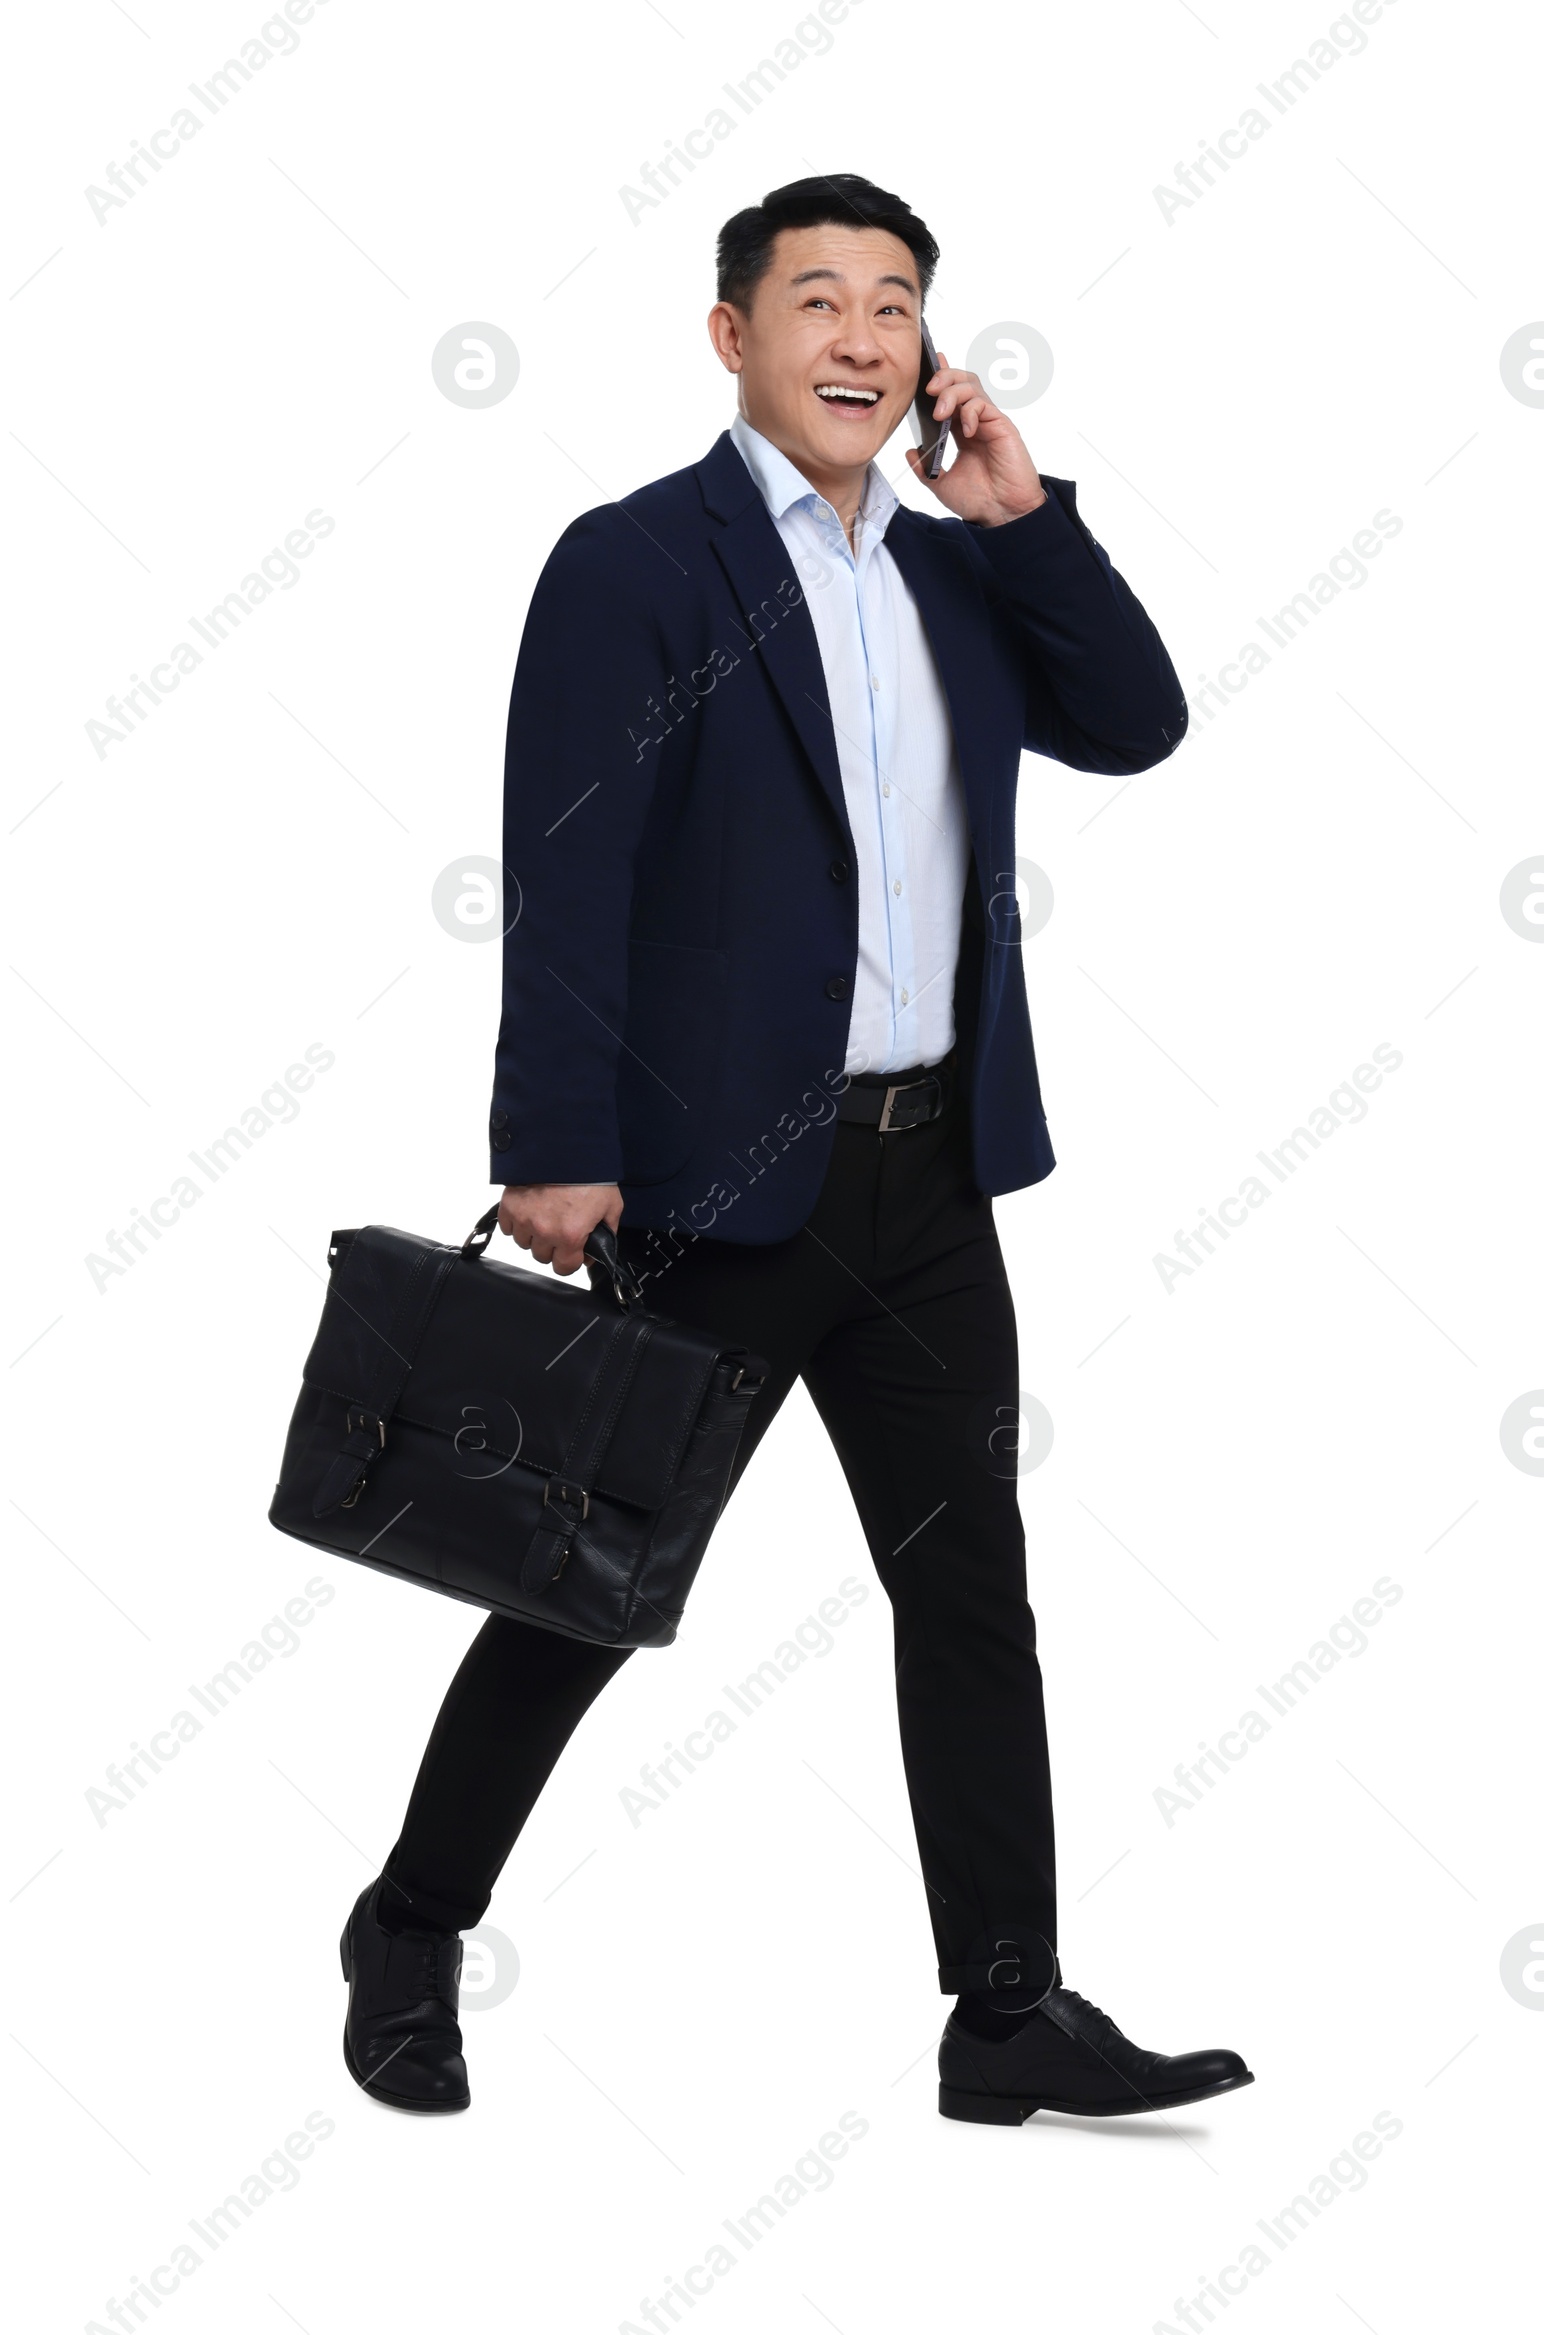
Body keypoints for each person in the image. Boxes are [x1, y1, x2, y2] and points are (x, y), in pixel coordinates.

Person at [339, 173, 1253, 2126]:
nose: (857, 336)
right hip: (711, 1184)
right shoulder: (631, 565)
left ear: (925, 351)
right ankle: (409, 1924)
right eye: (815, 298)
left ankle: (1003, 2008)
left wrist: (1022, 518)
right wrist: (555, 1141)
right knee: (587, 1581)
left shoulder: (948, 573)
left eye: (892, 304)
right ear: (730, 335)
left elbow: (1140, 723)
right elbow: (567, 867)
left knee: (966, 1588)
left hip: (926, 1181)